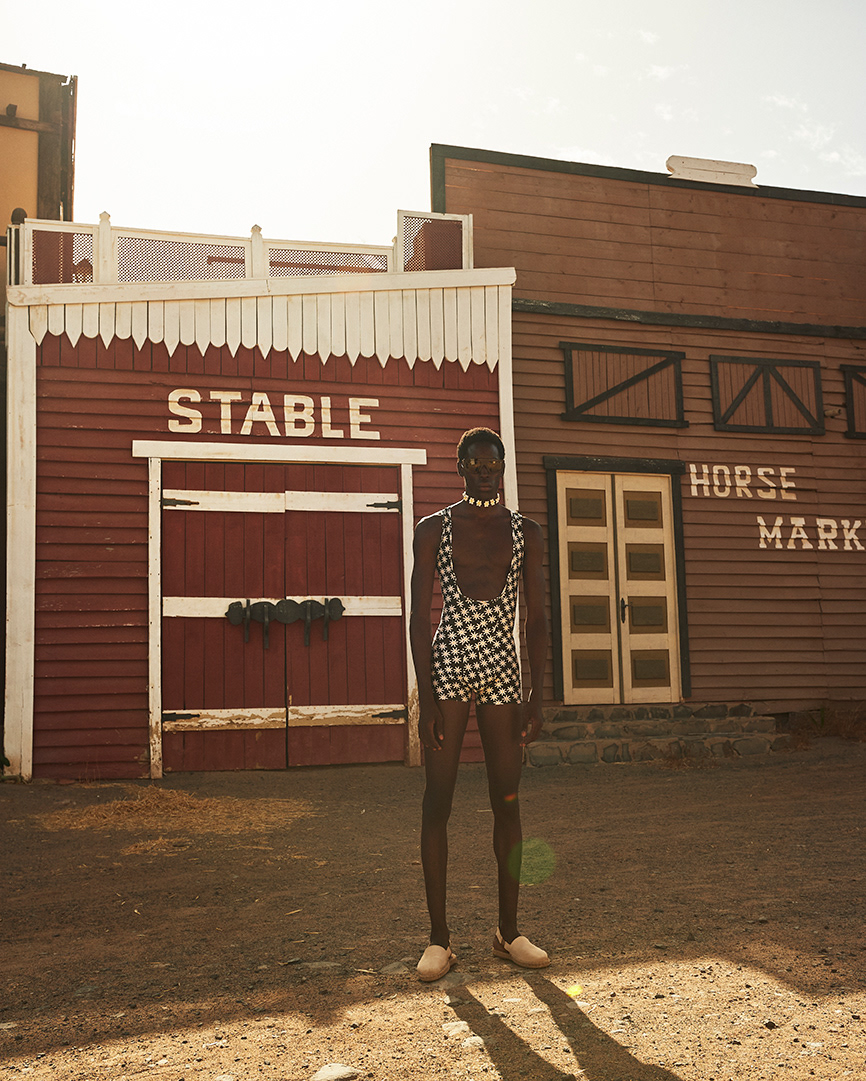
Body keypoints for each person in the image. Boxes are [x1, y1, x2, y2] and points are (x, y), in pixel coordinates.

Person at [409, 427, 550, 982]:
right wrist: (424, 697)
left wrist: (536, 693)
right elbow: (419, 617)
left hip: (502, 667)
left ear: (504, 468)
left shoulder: (525, 532)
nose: (485, 473)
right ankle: (438, 941)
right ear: (461, 468)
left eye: (493, 465)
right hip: (449, 663)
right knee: (437, 800)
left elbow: (535, 617)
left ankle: (508, 933)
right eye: (475, 465)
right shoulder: (434, 529)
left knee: (507, 800)